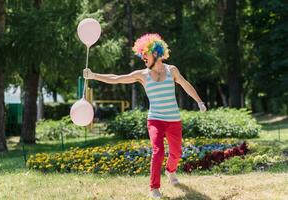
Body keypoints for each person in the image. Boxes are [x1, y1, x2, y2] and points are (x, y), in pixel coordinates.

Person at [83, 33, 207, 199]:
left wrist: (199, 101)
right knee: (158, 151)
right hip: (155, 119)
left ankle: (170, 171)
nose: (143, 58)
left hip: (173, 120)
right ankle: (154, 188)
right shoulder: (142, 75)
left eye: (145, 55)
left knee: (176, 153)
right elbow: (117, 79)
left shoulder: (172, 70)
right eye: (141, 55)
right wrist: (93, 75)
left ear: (155, 53)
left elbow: (185, 85)